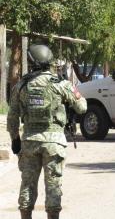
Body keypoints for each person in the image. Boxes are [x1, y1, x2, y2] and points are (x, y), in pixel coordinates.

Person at [7, 44, 87, 219]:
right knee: (53, 187)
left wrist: (15, 140)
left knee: (27, 185)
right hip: (54, 143)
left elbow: (12, 117)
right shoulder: (60, 84)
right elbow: (82, 107)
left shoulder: (21, 86)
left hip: (29, 142)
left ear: (31, 62)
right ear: (49, 62)